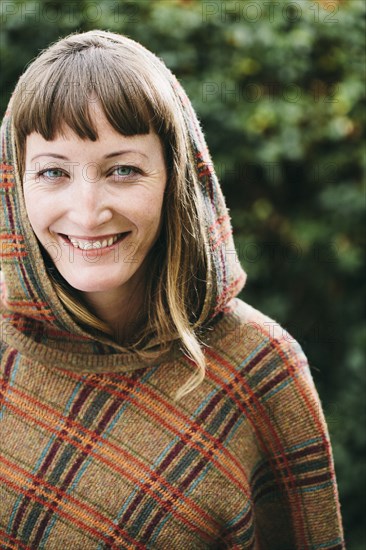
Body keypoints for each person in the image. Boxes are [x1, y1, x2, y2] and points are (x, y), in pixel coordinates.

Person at [0, 30, 344, 549]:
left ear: (176, 182)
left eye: (123, 170)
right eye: (53, 172)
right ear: (15, 184)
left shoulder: (259, 369)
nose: (88, 212)